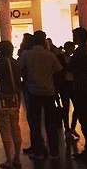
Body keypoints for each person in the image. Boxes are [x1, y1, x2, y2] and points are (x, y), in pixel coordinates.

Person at [18, 30, 61, 161]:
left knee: (35, 123)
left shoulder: (28, 55)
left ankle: (38, 151)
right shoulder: (50, 55)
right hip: (49, 91)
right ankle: (54, 151)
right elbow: (58, 71)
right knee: (50, 123)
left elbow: (19, 67)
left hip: (33, 91)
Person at [0, 40, 22, 169]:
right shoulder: (16, 62)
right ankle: (17, 157)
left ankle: (8, 158)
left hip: (4, 96)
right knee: (15, 126)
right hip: (15, 97)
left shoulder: (2, 63)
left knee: (5, 127)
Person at [67, 27, 87, 161]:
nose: (73, 38)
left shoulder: (81, 53)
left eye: (75, 36)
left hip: (82, 89)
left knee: (86, 120)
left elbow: (70, 66)